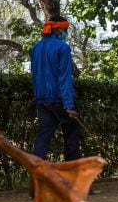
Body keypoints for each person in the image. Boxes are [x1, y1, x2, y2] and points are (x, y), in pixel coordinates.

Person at [30, 15, 82, 162]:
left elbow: (35, 76)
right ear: (58, 30)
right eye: (65, 30)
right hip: (60, 101)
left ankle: (37, 178)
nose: (66, 33)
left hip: (43, 102)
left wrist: (37, 98)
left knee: (42, 140)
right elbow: (64, 78)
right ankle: (73, 180)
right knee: (71, 139)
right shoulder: (62, 47)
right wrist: (69, 105)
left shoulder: (35, 48)